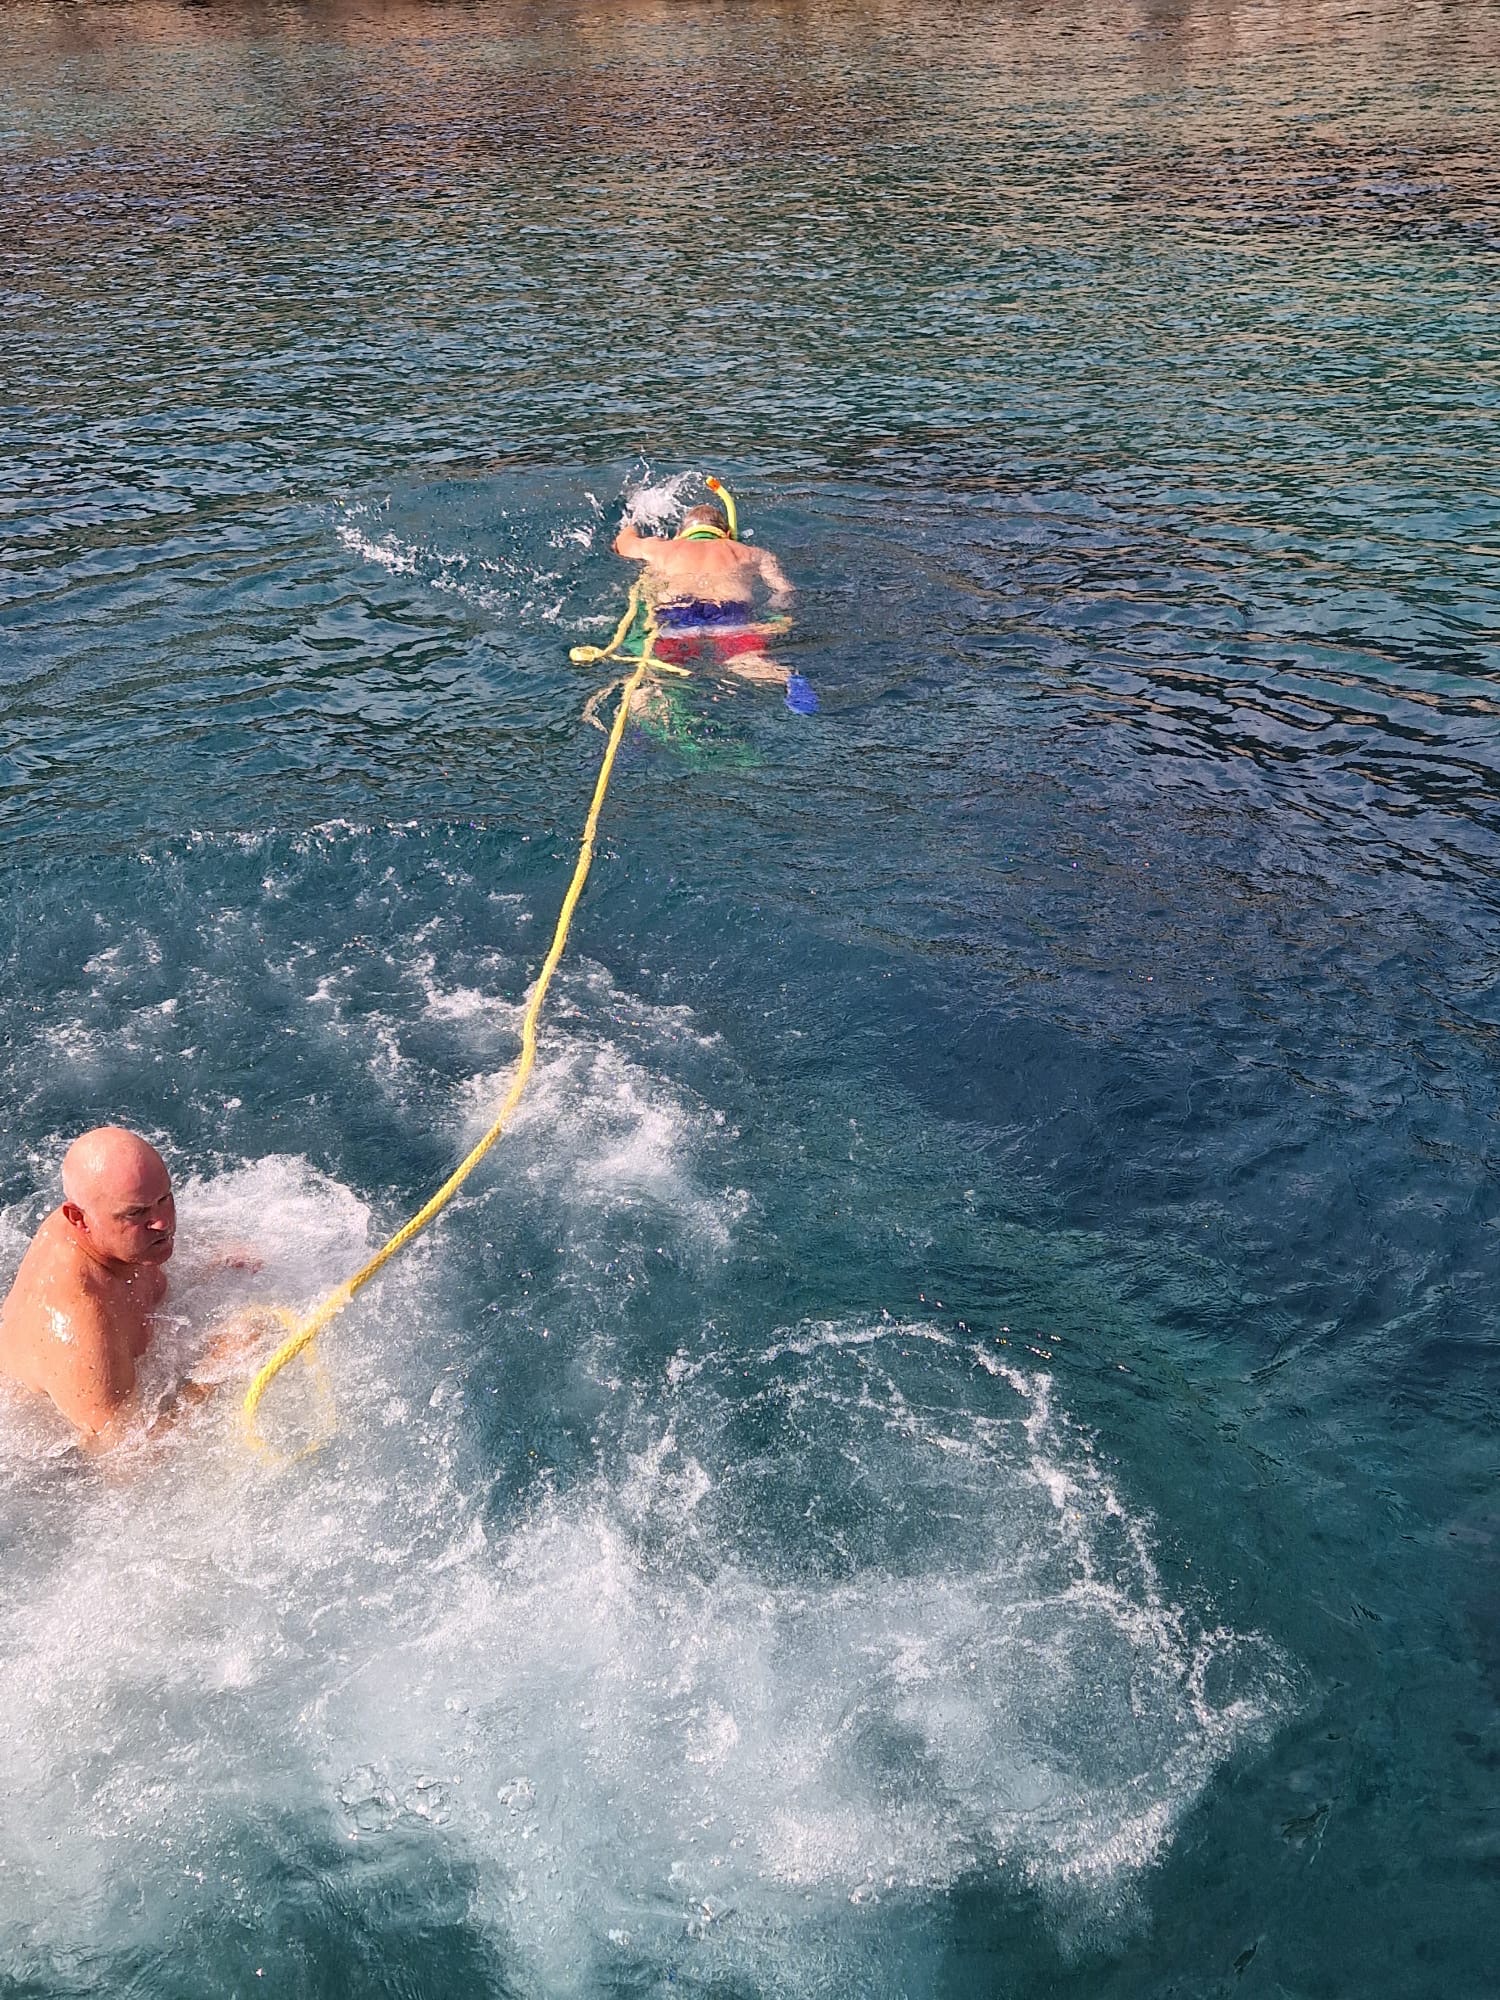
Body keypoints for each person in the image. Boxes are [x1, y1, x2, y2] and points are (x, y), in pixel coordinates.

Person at [0, 1126, 237, 1448]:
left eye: (165, 1199)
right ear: (78, 1218)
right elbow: (128, 1464)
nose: (163, 1223)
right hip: (59, 1460)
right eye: (137, 1213)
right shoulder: (81, 1325)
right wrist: (218, 1367)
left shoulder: (104, 1223)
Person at [613, 498, 797, 686]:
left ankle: (645, 700)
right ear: (727, 534)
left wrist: (633, 520)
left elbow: (622, 544)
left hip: (678, 611)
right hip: (730, 613)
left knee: (658, 675)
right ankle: (788, 679)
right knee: (745, 662)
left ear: (679, 534)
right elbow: (784, 591)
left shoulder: (660, 548)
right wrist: (776, 617)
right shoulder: (753, 553)